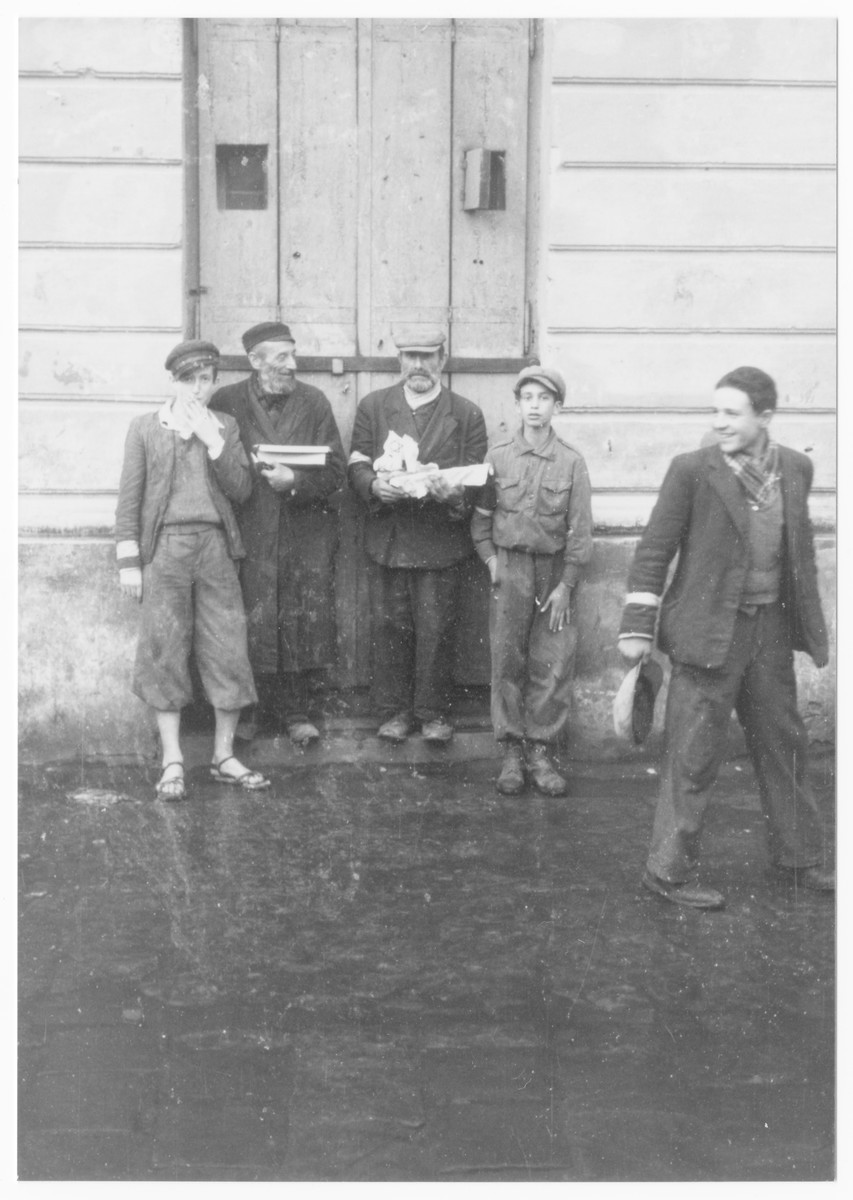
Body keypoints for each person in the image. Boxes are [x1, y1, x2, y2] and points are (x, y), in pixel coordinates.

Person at [618, 366, 833, 909]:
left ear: (764, 417)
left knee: (784, 744)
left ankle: (800, 858)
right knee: (692, 754)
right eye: (715, 412)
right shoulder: (692, 471)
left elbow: (798, 554)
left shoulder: (795, 469)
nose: (720, 423)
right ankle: (666, 873)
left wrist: (809, 629)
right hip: (707, 634)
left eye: (732, 413)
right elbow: (653, 550)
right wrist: (637, 630)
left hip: (768, 634)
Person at [115, 340, 270, 799]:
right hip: (164, 551)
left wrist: (214, 441)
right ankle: (173, 760)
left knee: (228, 647)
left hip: (216, 549)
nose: (198, 390)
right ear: (173, 381)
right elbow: (129, 500)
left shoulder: (225, 425)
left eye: (206, 380)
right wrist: (129, 562)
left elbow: (242, 490)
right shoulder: (145, 428)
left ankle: (223, 756)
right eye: (189, 380)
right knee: (164, 649)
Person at [347, 326, 488, 743]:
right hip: (390, 536)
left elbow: (476, 476)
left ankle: (434, 713)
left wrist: (454, 494)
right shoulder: (375, 406)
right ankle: (394, 712)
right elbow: (356, 461)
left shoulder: (465, 413)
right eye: (410, 356)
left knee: (438, 626)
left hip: (439, 540)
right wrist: (372, 485)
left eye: (427, 357)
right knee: (391, 626)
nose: (418, 365)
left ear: (442, 361)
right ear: (399, 361)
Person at [211, 322, 346, 746]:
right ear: (255, 361)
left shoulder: (314, 402)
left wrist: (297, 483)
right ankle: (251, 711)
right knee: (250, 620)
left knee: (299, 621)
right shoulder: (226, 401)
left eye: (293, 355)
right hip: (250, 533)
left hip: (303, 532)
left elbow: (337, 472)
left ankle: (296, 713)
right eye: (281, 357)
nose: (292, 365)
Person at [471, 366, 593, 796]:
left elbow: (581, 531)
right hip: (510, 569)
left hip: (553, 573)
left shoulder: (572, 462)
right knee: (507, 661)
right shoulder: (497, 456)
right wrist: (491, 562)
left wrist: (566, 585)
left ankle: (540, 751)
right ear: (518, 404)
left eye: (544, 399)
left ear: (557, 406)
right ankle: (509, 753)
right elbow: (481, 520)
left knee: (552, 662)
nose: (536, 406)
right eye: (528, 398)